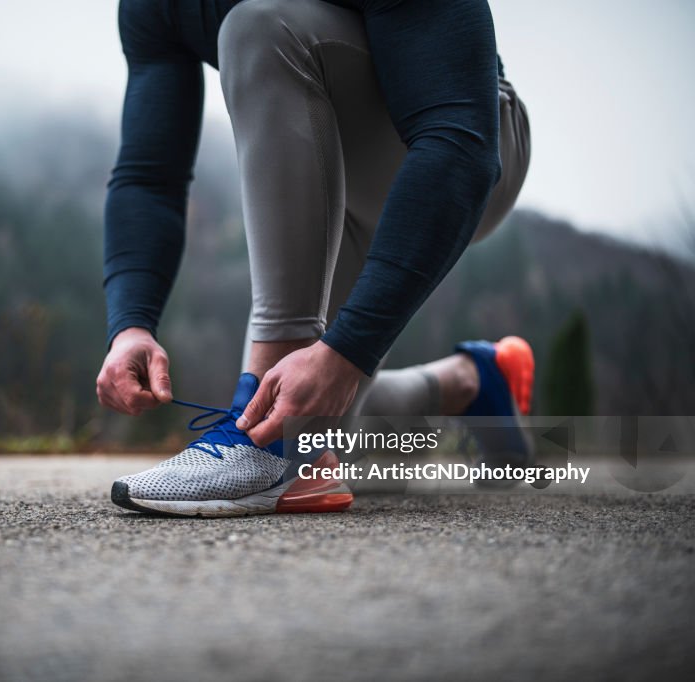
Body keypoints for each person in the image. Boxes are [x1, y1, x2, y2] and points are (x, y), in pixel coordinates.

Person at [97, 0, 533, 516]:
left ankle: (267, 451)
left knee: (257, 23)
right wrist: (131, 325)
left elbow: (461, 141)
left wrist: (348, 351)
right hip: (328, 171)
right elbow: (151, 176)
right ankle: (472, 380)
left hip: (466, 142)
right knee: (314, 437)